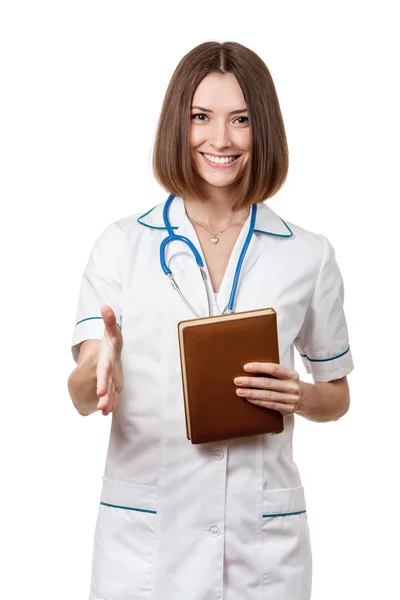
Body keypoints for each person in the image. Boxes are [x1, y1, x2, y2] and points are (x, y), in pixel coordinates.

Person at [68, 40, 354, 600]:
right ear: (179, 124)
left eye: (240, 120)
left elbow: (338, 396)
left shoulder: (308, 254)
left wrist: (298, 395)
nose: (219, 140)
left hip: (262, 548)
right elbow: (81, 393)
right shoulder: (123, 244)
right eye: (201, 117)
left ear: (262, 129)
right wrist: (101, 372)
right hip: (146, 548)